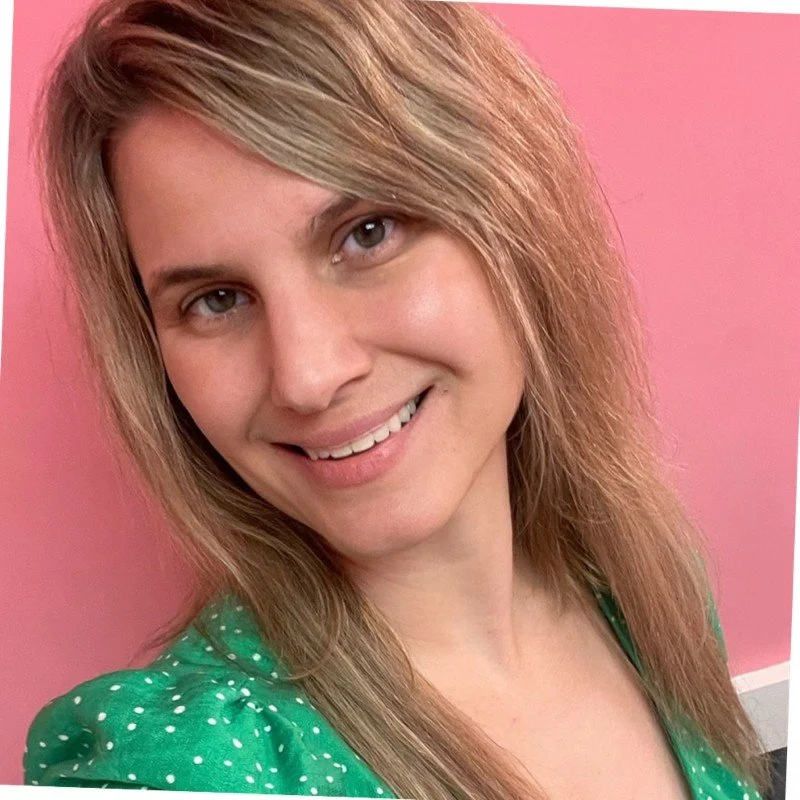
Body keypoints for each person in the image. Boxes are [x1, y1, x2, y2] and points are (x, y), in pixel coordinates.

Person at [22, 1, 770, 798]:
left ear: (517, 220)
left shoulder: (646, 588)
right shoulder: (189, 764)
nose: (307, 376)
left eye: (368, 232)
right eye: (216, 299)